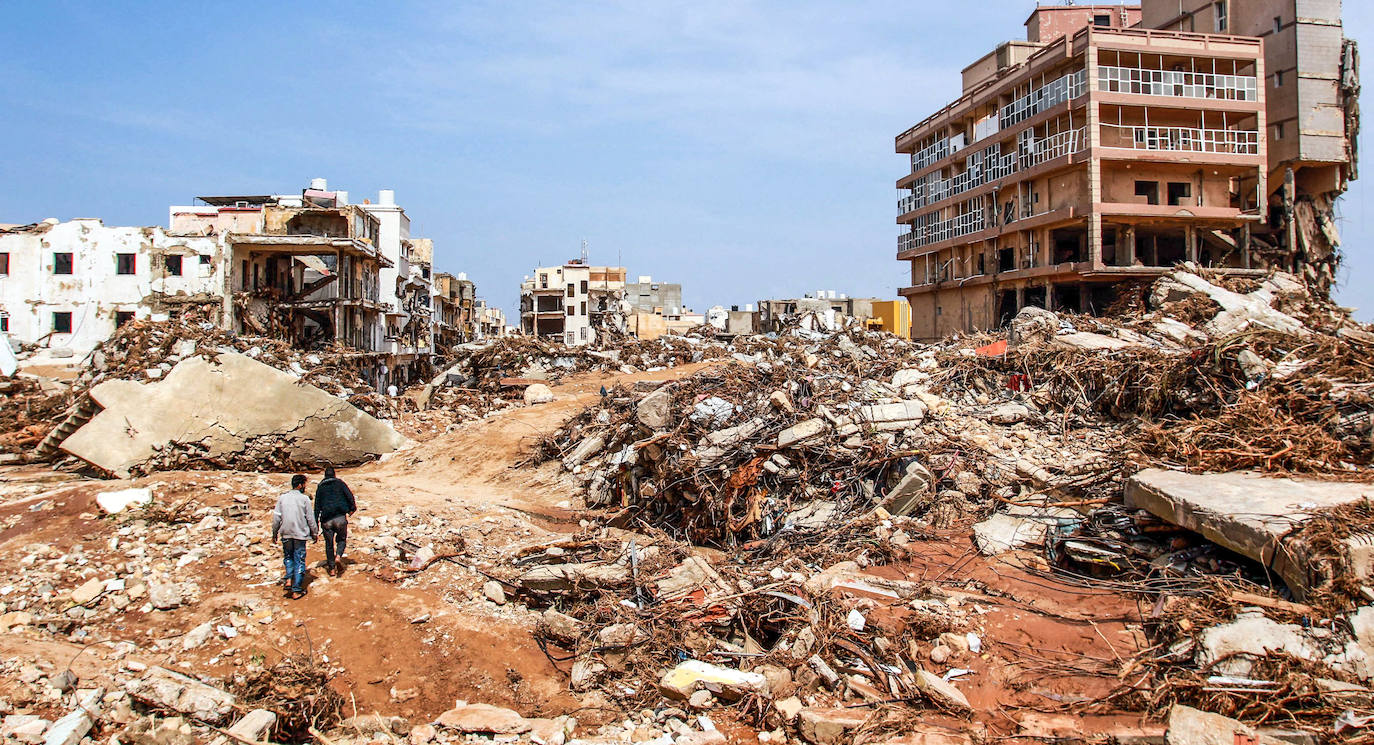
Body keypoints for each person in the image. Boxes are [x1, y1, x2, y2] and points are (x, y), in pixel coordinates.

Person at [271, 474, 318, 599]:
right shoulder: (304, 499)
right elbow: (310, 519)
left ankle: (289, 579)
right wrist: (315, 533)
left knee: (288, 556)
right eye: (304, 484)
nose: (305, 487)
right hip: (300, 534)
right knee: (299, 559)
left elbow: (276, 518)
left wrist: (274, 533)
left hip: (285, 532)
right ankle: (296, 590)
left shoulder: (282, 498)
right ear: (300, 485)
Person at [314, 465, 357, 576]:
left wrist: (315, 523)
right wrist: (352, 509)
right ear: (334, 474)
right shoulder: (340, 483)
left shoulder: (320, 487)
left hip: (326, 520)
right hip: (340, 518)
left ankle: (332, 569)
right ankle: (338, 556)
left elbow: (317, 506)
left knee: (329, 544)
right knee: (341, 540)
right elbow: (349, 496)